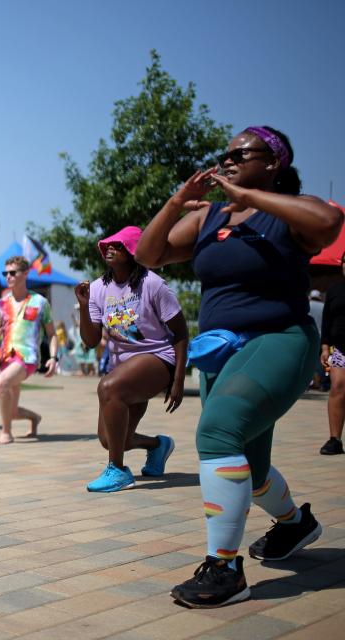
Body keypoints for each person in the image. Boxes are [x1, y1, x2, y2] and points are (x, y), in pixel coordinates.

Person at [137, 126, 341, 608]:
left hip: (279, 340)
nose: (226, 161)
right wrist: (176, 200)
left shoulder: (288, 211)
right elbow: (148, 255)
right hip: (221, 351)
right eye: (223, 155)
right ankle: (295, 523)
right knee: (251, 465)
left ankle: (225, 569)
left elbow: (328, 222)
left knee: (216, 433)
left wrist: (251, 196)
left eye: (239, 154)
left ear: (272, 161)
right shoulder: (210, 215)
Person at [75, 226, 187, 492]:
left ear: (133, 250)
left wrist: (179, 379)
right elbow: (91, 341)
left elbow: (181, 333)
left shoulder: (153, 284)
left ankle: (118, 471)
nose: (109, 248)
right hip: (124, 368)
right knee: (113, 439)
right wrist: (83, 305)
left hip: (158, 358)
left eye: (118, 245)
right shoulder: (99, 288)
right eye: (107, 246)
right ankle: (158, 446)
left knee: (108, 387)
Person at [0, 257, 57, 443]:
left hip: (27, 357)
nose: (8, 276)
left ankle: (6, 433)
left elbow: (52, 334)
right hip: (6, 358)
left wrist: (54, 358)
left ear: (25, 274)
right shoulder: (0, 305)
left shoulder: (40, 302)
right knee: (11, 411)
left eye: (12, 272)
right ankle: (34, 418)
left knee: (0, 384)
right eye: (5, 273)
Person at [320, 255, 345, 455]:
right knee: (337, 386)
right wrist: (325, 347)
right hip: (340, 349)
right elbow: (327, 320)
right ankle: (334, 439)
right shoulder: (335, 290)